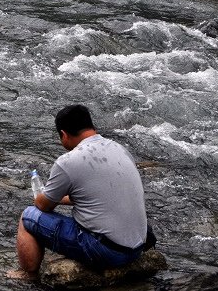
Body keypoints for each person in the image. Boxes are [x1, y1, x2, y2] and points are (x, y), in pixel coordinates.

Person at [8, 104, 148, 280]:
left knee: (28, 216)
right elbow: (95, 195)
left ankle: (28, 275)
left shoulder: (68, 161)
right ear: (92, 127)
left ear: (64, 135)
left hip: (108, 252)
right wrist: (61, 198)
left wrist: (47, 196)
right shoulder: (120, 149)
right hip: (137, 247)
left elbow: (43, 205)